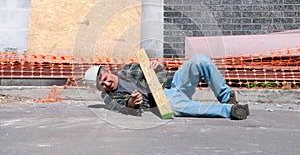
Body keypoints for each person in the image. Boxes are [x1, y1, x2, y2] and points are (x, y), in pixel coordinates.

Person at [84, 54, 250, 120]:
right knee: (178, 105)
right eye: (102, 86)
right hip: (163, 101)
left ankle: (227, 98)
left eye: (104, 79)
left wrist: (156, 67)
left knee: (201, 60)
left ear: (107, 70)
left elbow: (155, 73)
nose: (106, 84)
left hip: (175, 83)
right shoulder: (108, 98)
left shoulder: (128, 69)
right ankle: (230, 111)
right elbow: (123, 107)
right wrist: (132, 103)